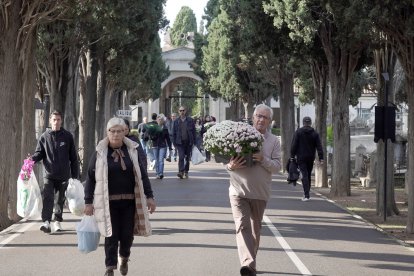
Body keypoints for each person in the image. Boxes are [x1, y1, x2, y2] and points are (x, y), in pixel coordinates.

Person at [84, 117, 156, 276]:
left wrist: (149, 196)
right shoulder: (100, 153)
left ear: (125, 132)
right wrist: (88, 202)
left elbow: (142, 176)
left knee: (127, 235)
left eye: (119, 131)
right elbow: (90, 178)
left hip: (129, 202)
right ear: (107, 133)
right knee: (111, 235)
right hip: (108, 203)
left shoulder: (132, 151)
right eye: (112, 131)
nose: (115, 134)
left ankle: (124, 257)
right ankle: (109, 267)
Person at [226, 104, 281, 276]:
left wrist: (263, 159)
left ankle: (250, 261)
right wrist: (230, 165)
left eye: (265, 117)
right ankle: (248, 264)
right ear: (252, 117)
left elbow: (278, 166)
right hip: (238, 190)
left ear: (270, 121)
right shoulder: (239, 135)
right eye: (258, 116)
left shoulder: (274, 141)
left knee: (255, 231)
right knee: (242, 226)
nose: (261, 119)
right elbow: (226, 160)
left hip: (259, 193)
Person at [31, 110, 79, 233]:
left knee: (60, 199)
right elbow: (39, 153)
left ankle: (57, 221)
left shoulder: (67, 136)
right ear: (50, 121)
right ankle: (46, 222)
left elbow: (74, 158)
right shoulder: (44, 137)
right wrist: (30, 161)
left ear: (61, 121)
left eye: (58, 119)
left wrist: (75, 177)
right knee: (48, 197)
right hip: (49, 174)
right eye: (54, 119)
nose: (56, 122)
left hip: (63, 175)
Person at [290, 116, 323, 201]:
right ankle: (307, 193)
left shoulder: (298, 132)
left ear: (303, 123)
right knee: (308, 174)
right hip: (310, 157)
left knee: (304, 174)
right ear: (310, 123)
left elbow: (294, 145)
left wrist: (292, 156)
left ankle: (306, 195)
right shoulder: (315, 133)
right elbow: (319, 146)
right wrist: (321, 157)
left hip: (301, 157)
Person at [172, 106, 196, 179]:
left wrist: (194, 142)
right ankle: (181, 171)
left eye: (183, 110)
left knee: (187, 157)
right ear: (178, 111)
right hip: (179, 142)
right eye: (180, 110)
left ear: (185, 111)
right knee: (181, 157)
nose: (182, 112)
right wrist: (174, 143)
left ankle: (186, 171)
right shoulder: (176, 121)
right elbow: (174, 133)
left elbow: (194, 131)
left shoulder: (190, 120)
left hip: (188, 142)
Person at [152, 114, 172, 179]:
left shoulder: (165, 128)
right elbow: (152, 137)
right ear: (157, 120)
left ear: (163, 120)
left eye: (161, 119)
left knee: (161, 160)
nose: (160, 120)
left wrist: (170, 147)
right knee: (156, 160)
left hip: (162, 146)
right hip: (155, 146)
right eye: (159, 119)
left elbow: (168, 139)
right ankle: (157, 173)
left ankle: (161, 173)